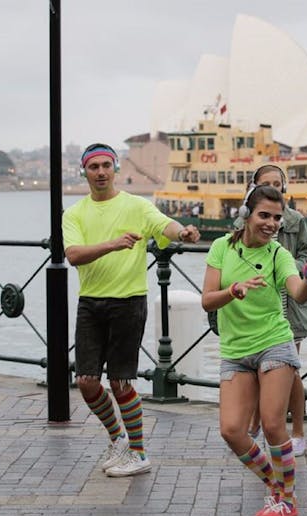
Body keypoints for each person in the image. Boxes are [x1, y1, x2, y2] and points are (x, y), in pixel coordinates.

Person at [63, 143, 200, 477]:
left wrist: (182, 231)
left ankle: (139, 454)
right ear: (84, 172)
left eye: (105, 166)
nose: (100, 172)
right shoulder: (74, 213)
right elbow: (74, 254)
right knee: (86, 381)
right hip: (90, 303)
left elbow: (164, 226)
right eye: (93, 167)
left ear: (115, 169)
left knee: (121, 381)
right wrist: (113, 244)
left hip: (128, 301)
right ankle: (118, 438)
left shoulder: (137, 205)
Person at [202, 184, 307, 516]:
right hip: (235, 350)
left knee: (273, 423)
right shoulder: (220, 248)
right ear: (246, 214)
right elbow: (207, 300)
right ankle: (278, 487)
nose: (272, 223)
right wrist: (233, 290)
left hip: (274, 343)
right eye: (264, 215)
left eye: (277, 217)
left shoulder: (278, 255)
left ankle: (286, 501)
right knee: (231, 430)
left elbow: (298, 293)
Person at [234, 165, 307, 457]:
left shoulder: (294, 220)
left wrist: (286, 264)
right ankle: (258, 423)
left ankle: (297, 430)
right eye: (266, 184)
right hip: (256, 304)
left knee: (288, 370)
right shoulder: (242, 221)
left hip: (289, 304)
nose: (273, 188)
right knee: (257, 369)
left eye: (277, 184)